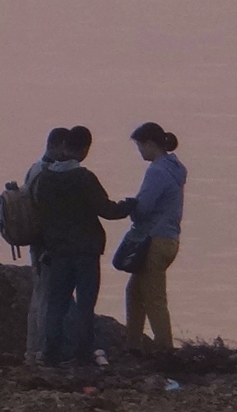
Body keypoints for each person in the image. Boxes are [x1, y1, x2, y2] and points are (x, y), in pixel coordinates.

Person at [30, 126, 130, 367]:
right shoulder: (84, 178)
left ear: (64, 146)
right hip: (85, 251)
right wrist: (130, 206)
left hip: (57, 251)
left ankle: (50, 352)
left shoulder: (44, 179)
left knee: (57, 303)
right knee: (85, 304)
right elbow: (106, 210)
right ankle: (83, 352)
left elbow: (39, 214)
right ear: (85, 150)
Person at [118, 123, 187, 351]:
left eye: (139, 146)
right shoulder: (175, 169)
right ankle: (133, 344)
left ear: (149, 144)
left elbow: (145, 207)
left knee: (154, 298)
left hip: (154, 240)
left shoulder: (157, 170)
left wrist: (131, 208)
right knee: (135, 292)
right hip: (170, 239)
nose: (139, 151)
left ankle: (164, 349)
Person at [22, 127, 72, 362]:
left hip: (36, 241)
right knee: (46, 297)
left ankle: (33, 350)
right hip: (46, 244)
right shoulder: (47, 173)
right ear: (60, 145)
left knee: (39, 294)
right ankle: (38, 350)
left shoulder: (34, 169)